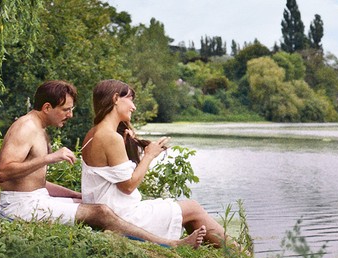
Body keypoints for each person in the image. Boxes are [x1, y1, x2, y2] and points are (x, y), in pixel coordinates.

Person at [0, 80, 205, 248]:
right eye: (65, 110)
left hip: (34, 199)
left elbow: (33, 182)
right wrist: (50, 158)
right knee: (100, 212)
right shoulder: (26, 127)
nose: (70, 115)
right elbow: (4, 172)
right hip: (20, 206)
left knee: (88, 205)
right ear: (47, 107)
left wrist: (74, 195)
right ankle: (170, 244)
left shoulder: (38, 128)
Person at [81, 79, 236, 248]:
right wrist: (149, 155)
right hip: (121, 216)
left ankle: (227, 254)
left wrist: (131, 143)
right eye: (130, 99)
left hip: (109, 209)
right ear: (116, 98)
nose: (133, 107)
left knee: (187, 210)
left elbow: (113, 174)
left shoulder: (93, 133)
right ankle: (241, 257)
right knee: (193, 208)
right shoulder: (110, 137)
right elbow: (127, 186)